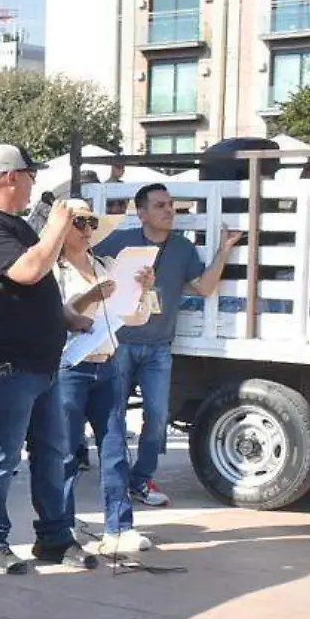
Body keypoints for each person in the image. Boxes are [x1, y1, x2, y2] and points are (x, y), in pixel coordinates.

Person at [0, 144, 98, 575]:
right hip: (2, 364)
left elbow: (34, 288)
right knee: (0, 454)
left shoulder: (15, 226)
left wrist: (66, 316)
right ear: (12, 176)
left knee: (54, 452)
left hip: (39, 362)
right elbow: (28, 271)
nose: (35, 185)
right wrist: (56, 224)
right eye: (32, 176)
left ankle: (54, 537)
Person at [92, 183, 240, 508]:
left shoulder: (183, 248)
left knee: (158, 416)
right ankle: (114, 482)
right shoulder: (122, 241)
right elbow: (89, 265)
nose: (168, 210)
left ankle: (141, 479)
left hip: (159, 346)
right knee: (112, 415)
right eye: (159, 205)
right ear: (141, 213)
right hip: (121, 342)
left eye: (170, 204)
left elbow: (204, 288)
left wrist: (225, 249)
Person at [53, 200, 154, 557]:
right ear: (63, 228)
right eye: (79, 222)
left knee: (114, 449)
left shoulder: (107, 265)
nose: (86, 229)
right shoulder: (54, 271)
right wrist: (88, 299)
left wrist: (143, 290)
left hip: (107, 363)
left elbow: (137, 317)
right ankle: (60, 527)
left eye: (91, 222)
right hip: (69, 366)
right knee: (64, 451)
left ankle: (120, 525)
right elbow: (54, 316)